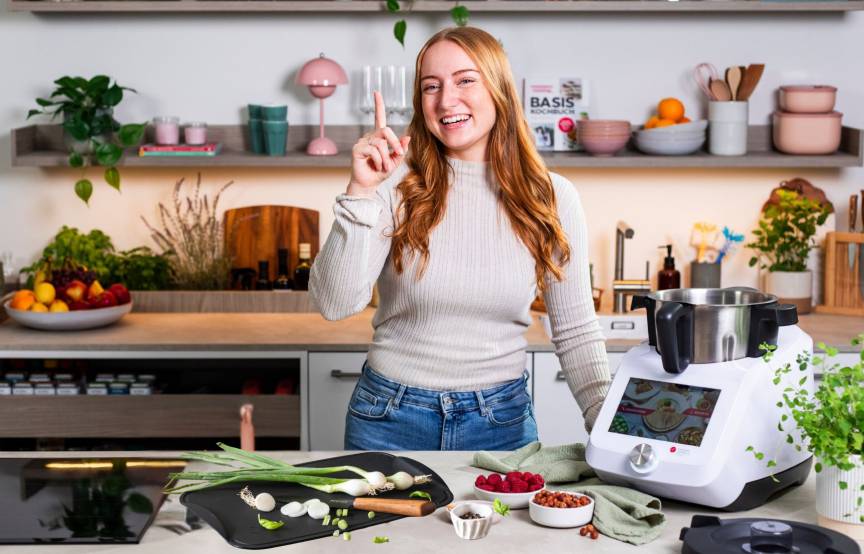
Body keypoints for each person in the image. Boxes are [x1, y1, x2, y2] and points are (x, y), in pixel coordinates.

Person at [309, 26, 610, 451]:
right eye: (431, 86)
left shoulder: (551, 195)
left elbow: (576, 330)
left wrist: (614, 437)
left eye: (465, 80)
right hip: (389, 417)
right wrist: (359, 193)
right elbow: (334, 304)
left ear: (498, 89)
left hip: (501, 422)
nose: (446, 100)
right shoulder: (394, 183)